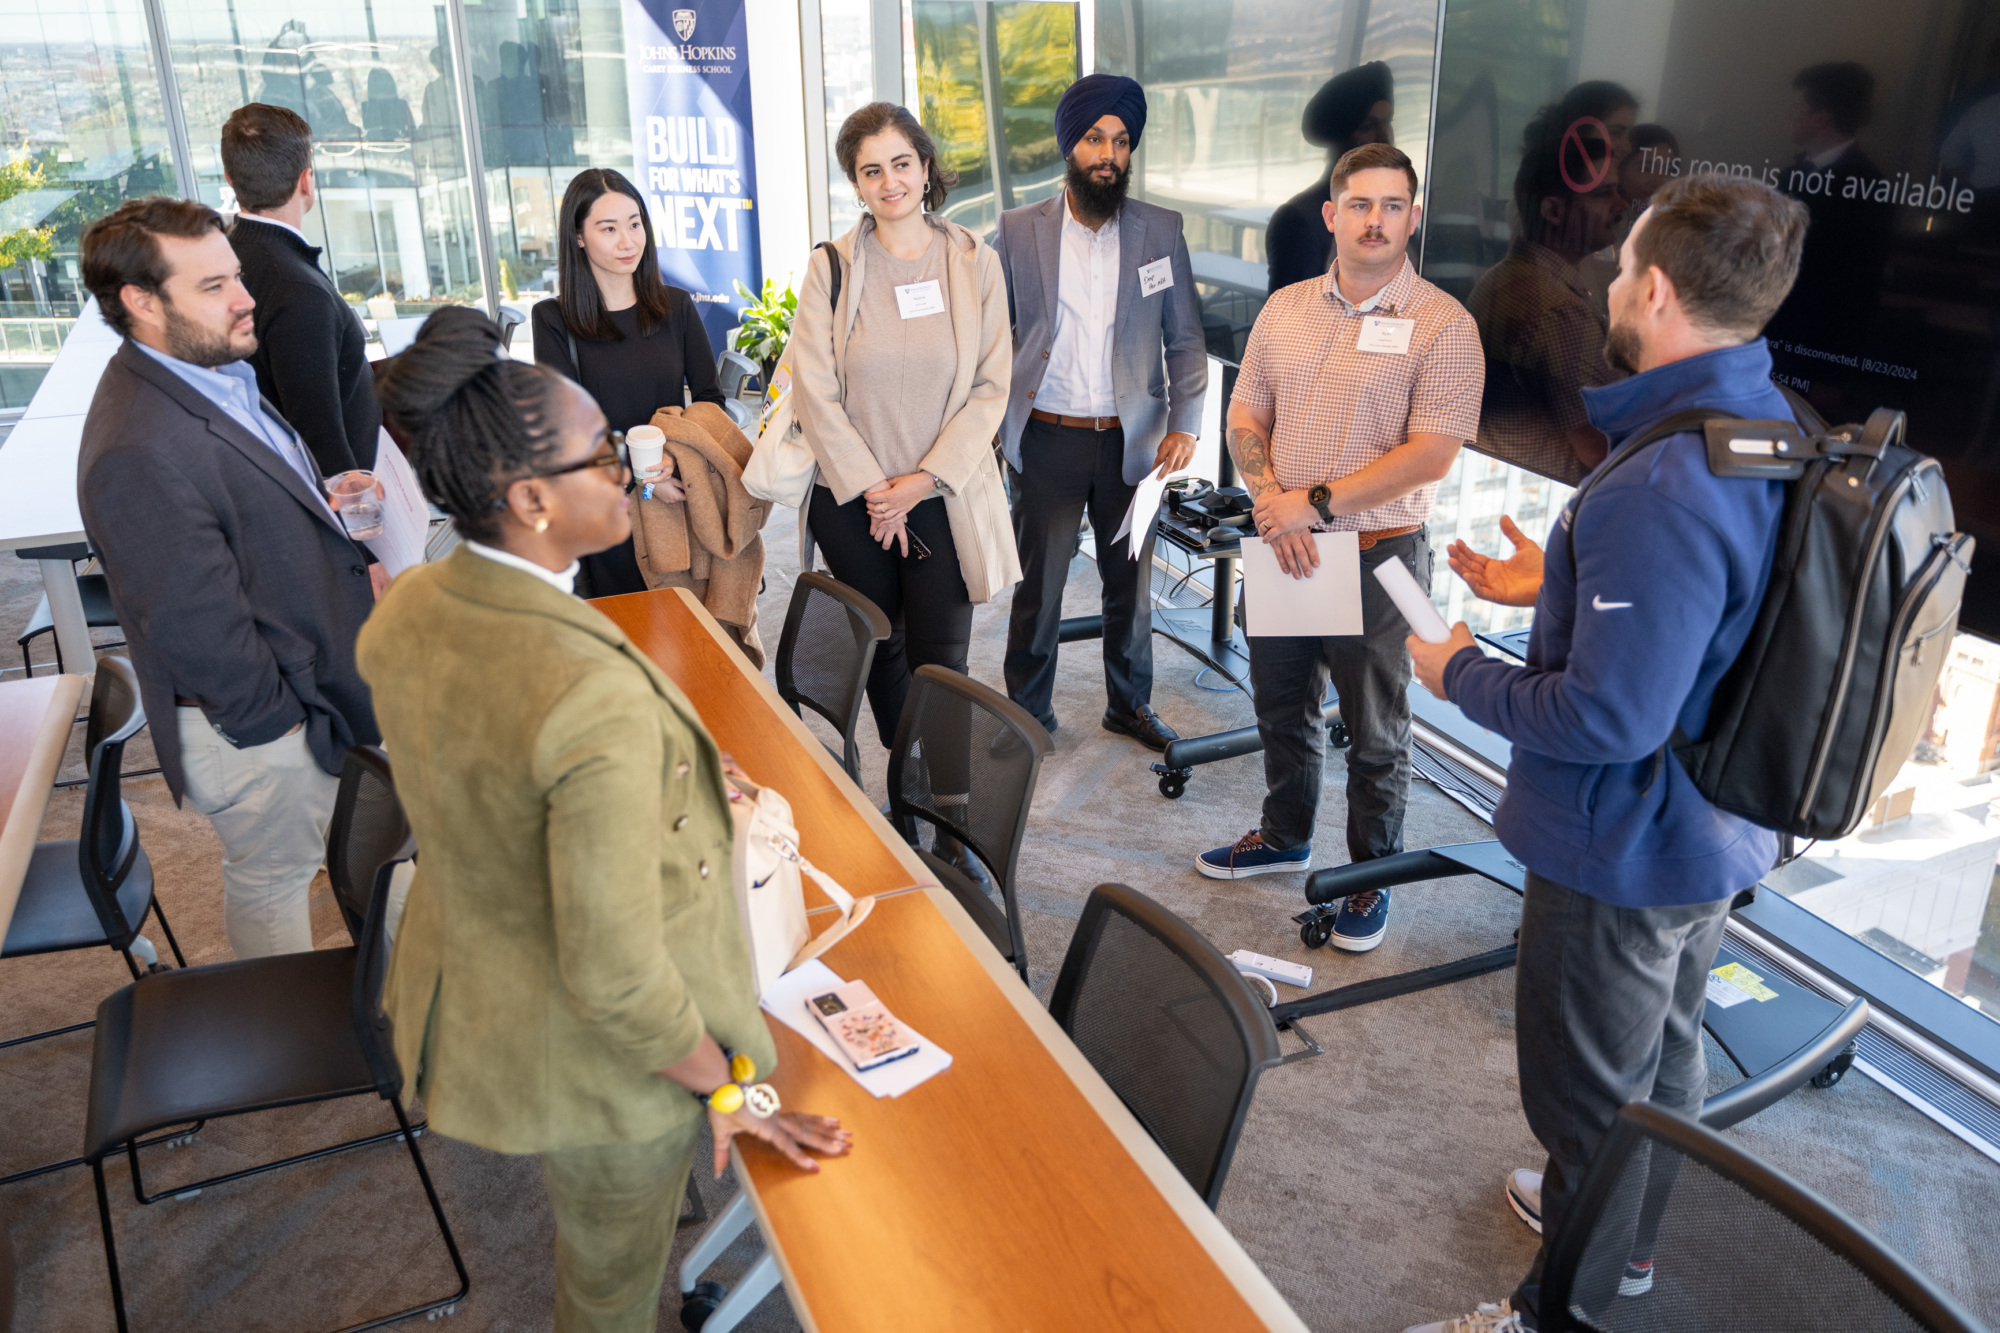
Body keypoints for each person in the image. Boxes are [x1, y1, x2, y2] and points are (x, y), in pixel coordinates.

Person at [359, 308, 850, 1332]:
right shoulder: (586, 692)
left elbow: (501, 758)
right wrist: (735, 1096)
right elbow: (618, 975)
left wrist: (666, 770)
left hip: (483, 981)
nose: (633, 471)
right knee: (611, 1290)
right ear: (532, 498)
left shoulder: (412, 605)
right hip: (597, 1061)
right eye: (605, 459)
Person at [1404, 175, 1808, 1333]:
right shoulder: (1760, 418)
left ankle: (1556, 1307)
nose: (1606, 283)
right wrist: (1564, 582)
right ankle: (1624, 1242)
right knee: (1664, 1058)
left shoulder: (1664, 480)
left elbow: (1606, 720)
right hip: (1711, 825)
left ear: (1659, 290)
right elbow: (1708, 617)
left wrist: (1455, 673)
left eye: (1622, 267)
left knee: (1584, 1096)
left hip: (1620, 843)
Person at [1194, 143, 1482, 960]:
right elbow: (1246, 412)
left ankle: (1370, 875)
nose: (1376, 220)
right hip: (1286, 546)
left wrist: (1310, 505)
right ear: (1331, 213)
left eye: (1394, 206)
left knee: (1376, 732)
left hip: (1380, 556)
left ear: (1413, 218)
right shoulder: (1286, 308)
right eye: (1360, 203)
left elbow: (1430, 454)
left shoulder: (1444, 326)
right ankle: (1286, 835)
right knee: (1281, 704)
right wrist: (1273, 504)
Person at [76, 197, 379, 959]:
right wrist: (281, 728)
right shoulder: (135, 444)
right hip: (260, 725)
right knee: (277, 876)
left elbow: (240, 511)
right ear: (141, 302)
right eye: (212, 286)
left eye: (236, 276)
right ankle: (285, 1048)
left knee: (356, 859)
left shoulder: (212, 371)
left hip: (312, 685)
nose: (245, 298)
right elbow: (193, 624)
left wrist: (321, 507)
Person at [788, 101, 1018, 804]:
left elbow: (990, 386)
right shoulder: (830, 267)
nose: (889, 182)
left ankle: (951, 805)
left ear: (925, 167)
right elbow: (813, 390)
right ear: (855, 184)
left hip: (941, 497)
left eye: (901, 164)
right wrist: (873, 491)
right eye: (870, 170)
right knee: (881, 645)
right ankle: (905, 773)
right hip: (851, 500)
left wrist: (916, 484)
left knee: (942, 660)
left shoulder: (975, 262)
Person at [991, 73, 1207, 751]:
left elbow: (1187, 337)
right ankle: (1027, 711)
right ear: (1070, 148)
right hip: (1048, 436)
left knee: (1130, 586)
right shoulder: (1018, 230)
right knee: (1040, 589)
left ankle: (1128, 703)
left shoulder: (1160, 231)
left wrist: (1187, 423)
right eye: (1094, 139)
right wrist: (992, 427)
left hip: (1133, 445)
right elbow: (994, 336)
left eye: (1119, 140)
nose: (1108, 153)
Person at [533, 167, 725, 598]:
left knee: (687, 637)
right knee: (625, 637)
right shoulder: (553, 320)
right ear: (579, 237)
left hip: (675, 501)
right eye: (609, 228)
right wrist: (642, 476)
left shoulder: (676, 306)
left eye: (635, 224)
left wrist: (672, 461)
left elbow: (711, 401)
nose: (628, 241)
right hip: (608, 511)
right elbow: (564, 430)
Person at [1464, 100, 1629, 482]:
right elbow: (1598, 451)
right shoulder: (1558, 311)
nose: (1620, 205)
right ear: (1554, 211)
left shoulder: (1501, 276)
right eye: (1604, 194)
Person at [222, 102, 382, 479]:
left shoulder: (230, 254)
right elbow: (319, 437)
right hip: (340, 507)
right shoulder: (295, 287)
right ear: (306, 181)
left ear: (230, 178)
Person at [1265, 62, 1394, 293]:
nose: (1384, 136)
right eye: (1368, 126)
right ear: (1340, 140)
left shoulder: (1394, 210)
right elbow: (1288, 320)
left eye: (1387, 122)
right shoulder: (1300, 220)